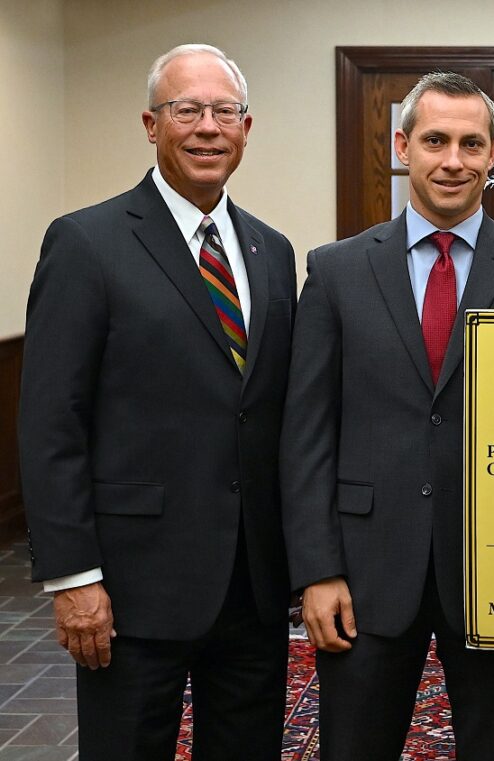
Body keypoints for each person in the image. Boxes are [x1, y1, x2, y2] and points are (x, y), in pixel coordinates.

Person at [280, 71, 494, 761]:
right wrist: (317, 571)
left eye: (471, 143)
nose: (453, 160)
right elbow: (306, 434)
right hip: (364, 567)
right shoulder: (337, 271)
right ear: (401, 145)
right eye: (436, 140)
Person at [17, 44, 295, 760]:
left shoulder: (273, 250)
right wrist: (75, 578)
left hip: (253, 586)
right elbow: (52, 423)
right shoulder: (87, 242)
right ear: (151, 123)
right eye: (187, 110)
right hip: (133, 587)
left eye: (224, 111)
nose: (208, 127)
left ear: (247, 126)